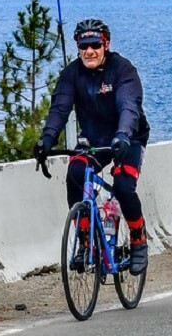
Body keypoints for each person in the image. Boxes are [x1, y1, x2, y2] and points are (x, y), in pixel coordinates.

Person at [33, 18, 151, 275]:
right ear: (77, 47)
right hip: (94, 141)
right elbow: (59, 110)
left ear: (105, 45)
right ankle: (85, 241)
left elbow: (128, 106)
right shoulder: (71, 74)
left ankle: (139, 238)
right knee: (75, 175)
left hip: (128, 137)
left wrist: (122, 135)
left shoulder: (123, 70)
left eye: (95, 45)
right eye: (83, 46)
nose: (89, 51)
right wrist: (46, 140)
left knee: (122, 185)